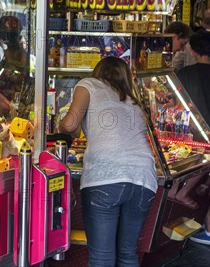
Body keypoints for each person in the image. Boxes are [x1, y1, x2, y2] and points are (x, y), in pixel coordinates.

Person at [59, 57, 157, 267]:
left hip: (106, 176)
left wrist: (61, 122)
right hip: (144, 179)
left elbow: (69, 126)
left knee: (102, 257)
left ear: (98, 72)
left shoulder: (88, 84)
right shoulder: (134, 100)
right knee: (128, 253)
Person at [177, 29, 210, 245]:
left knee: (202, 185)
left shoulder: (185, 75)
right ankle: (209, 228)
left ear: (192, 50)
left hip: (199, 139)